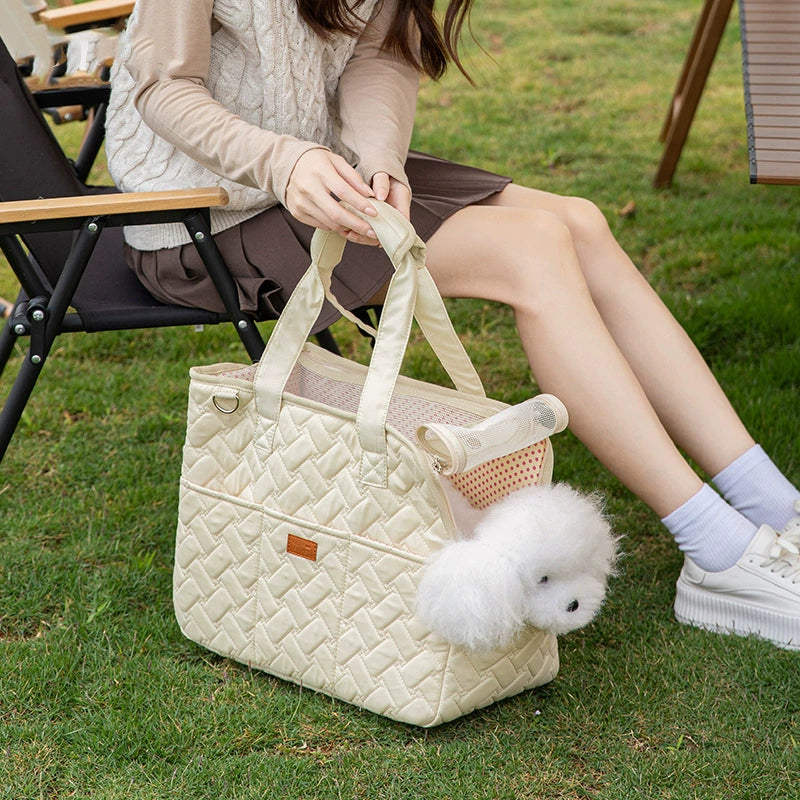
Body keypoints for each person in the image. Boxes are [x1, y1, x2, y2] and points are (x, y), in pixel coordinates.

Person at [105, 0, 800, 650]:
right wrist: (285, 162)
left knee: (580, 223)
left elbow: (381, 52)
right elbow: (164, 84)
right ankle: (717, 552)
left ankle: (774, 506)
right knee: (533, 250)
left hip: (326, 174)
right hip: (205, 215)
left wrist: (380, 157)